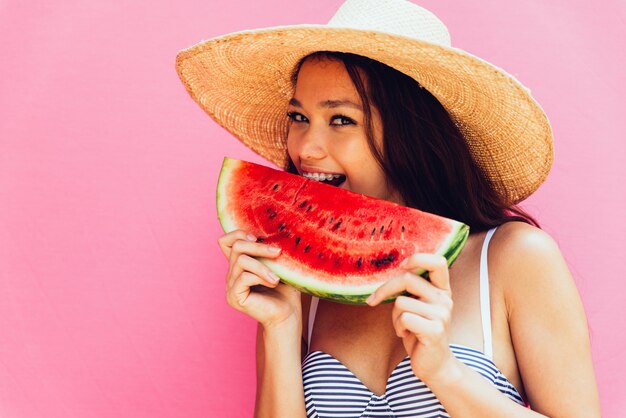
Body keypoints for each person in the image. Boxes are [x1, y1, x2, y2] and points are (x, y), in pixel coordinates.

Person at [176, 0, 601, 416]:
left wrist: (445, 373)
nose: (305, 147)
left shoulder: (515, 257)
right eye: (298, 116)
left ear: (410, 132)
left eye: (341, 119)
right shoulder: (295, 278)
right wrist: (280, 327)